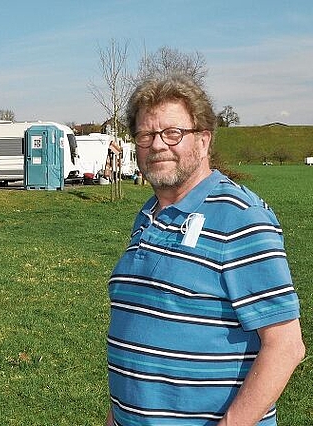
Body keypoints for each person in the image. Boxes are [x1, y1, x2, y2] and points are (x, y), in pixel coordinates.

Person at [106, 74, 305, 426]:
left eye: (172, 133)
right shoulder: (149, 215)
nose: (157, 145)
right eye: (145, 135)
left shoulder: (240, 216)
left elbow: (285, 346)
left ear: (203, 139)